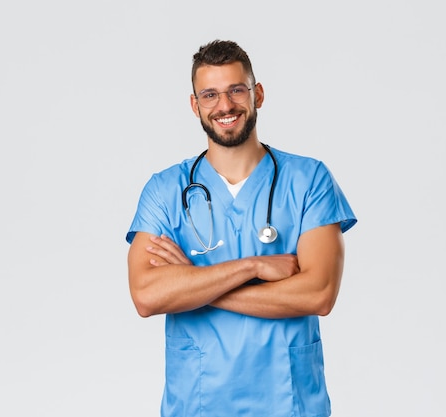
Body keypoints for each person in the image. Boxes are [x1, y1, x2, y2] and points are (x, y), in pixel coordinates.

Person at [126, 39, 357, 417]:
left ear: (258, 94)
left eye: (236, 90)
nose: (225, 105)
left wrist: (193, 285)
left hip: (289, 401)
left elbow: (319, 293)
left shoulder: (308, 179)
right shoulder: (165, 190)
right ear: (194, 105)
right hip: (198, 404)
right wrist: (251, 268)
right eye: (210, 95)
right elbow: (147, 296)